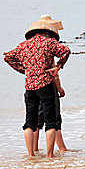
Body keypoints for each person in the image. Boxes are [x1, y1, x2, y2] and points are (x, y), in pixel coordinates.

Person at [4, 18, 70, 158]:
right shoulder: (49, 42)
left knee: (30, 123)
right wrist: (58, 66)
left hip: (29, 86)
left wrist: (24, 70)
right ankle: (49, 155)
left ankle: (31, 154)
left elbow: (8, 57)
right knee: (51, 122)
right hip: (45, 84)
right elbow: (66, 51)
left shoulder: (24, 45)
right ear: (47, 32)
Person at [33, 15, 68, 153]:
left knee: (36, 118)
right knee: (54, 118)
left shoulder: (34, 44)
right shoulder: (49, 45)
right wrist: (59, 87)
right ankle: (61, 148)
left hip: (33, 84)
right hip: (47, 85)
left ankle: (34, 148)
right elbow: (54, 71)